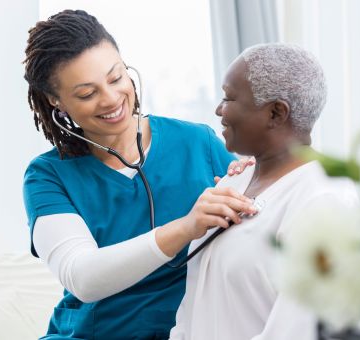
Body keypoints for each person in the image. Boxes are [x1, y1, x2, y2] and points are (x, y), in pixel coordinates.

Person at [22, 9, 256, 339]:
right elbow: (83, 278)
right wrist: (186, 227)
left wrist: (253, 187)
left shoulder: (197, 143)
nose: (112, 99)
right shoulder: (47, 176)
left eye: (116, 77)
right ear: (56, 101)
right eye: (87, 93)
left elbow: (258, 236)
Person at [169, 43, 359, 340]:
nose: (219, 109)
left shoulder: (323, 201)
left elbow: (294, 333)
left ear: (275, 113)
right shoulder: (232, 182)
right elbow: (194, 306)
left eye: (229, 98)